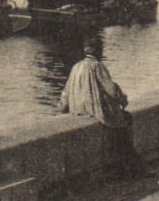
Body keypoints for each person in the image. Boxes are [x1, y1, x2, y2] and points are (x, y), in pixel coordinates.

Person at [60, 42, 149, 180]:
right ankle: (134, 170)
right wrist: (123, 101)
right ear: (97, 51)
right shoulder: (97, 66)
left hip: (79, 110)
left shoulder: (76, 67)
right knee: (123, 129)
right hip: (95, 110)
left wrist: (61, 110)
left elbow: (65, 94)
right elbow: (111, 90)